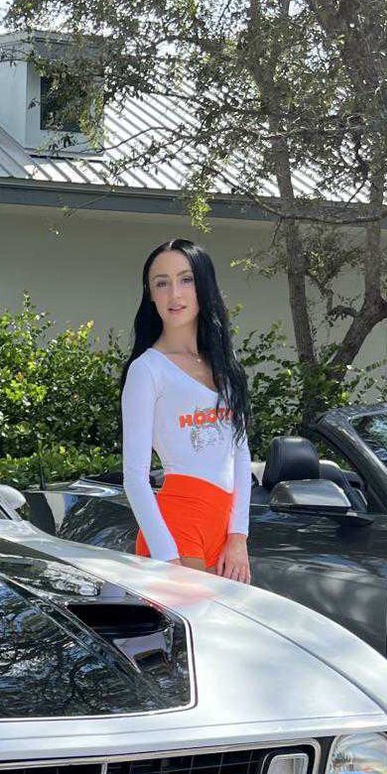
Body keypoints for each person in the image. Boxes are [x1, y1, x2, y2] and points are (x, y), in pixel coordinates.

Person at [119, 238, 254, 583]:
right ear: (150, 295)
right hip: (176, 530)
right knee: (192, 619)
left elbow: (240, 453)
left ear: (204, 285)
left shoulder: (224, 366)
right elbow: (135, 476)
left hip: (223, 531)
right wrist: (167, 556)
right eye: (161, 283)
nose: (174, 294)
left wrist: (239, 536)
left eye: (186, 279)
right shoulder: (147, 370)